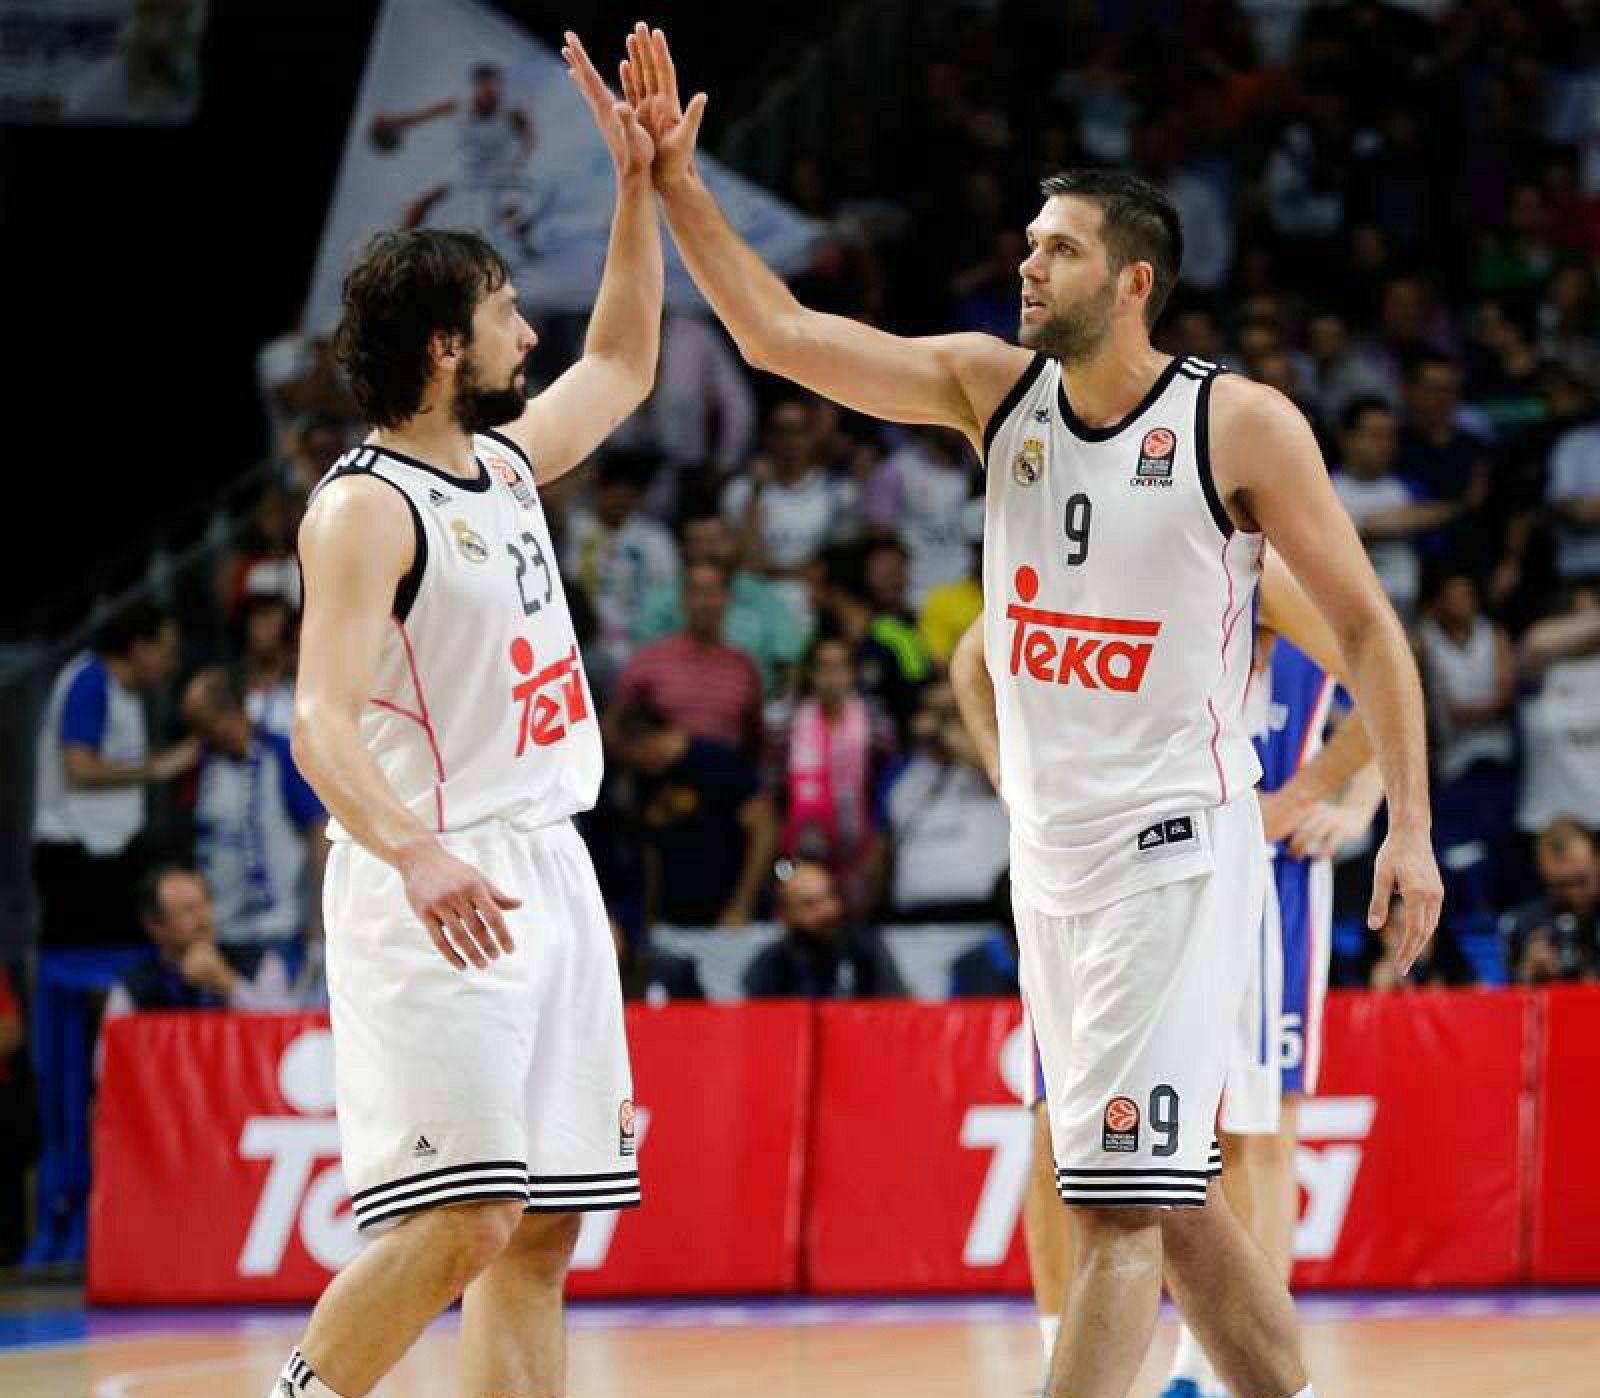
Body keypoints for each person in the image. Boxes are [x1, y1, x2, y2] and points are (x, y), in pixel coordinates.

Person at [621, 30, 1440, 1398]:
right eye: (1025, 242)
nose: (1025, 264)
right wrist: (674, 185)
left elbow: (1369, 629)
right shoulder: (988, 392)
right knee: (1159, 1195)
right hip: (1054, 864)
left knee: (1115, 1203)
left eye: (1054, 248)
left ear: (1130, 280)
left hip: (1176, 852)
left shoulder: (1236, 426)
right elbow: (778, 334)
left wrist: (1400, 822)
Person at [271, 35, 659, 1398]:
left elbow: (620, 360)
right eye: (507, 316)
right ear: (447, 347)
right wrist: (417, 853)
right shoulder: (364, 504)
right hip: (434, 872)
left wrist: (637, 187)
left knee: (542, 1226)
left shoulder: (498, 464)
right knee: (464, 1216)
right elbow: (318, 722)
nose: (531, 335)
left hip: (547, 858)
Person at [32, 602, 195, 948]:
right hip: (77, 854)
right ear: (139, 648)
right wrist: (157, 768)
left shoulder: (125, 691)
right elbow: (78, 767)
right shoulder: (91, 682)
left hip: (108, 850)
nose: (172, 665)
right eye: (167, 653)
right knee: (83, 965)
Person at [180, 667, 327, 952]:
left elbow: (318, 834)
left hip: (281, 928)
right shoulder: (198, 766)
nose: (200, 738)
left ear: (233, 713)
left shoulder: (284, 755)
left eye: (205, 727)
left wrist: (316, 921)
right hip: (217, 932)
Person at [611, 701, 776, 929]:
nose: (628, 765)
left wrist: (742, 903)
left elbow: (763, 832)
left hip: (730, 916)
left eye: (627, 756)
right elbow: (651, 853)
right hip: (675, 920)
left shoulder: (720, 762)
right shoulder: (644, 781)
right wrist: (650, 917)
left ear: (643, 742)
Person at [633, 512, 808, 694]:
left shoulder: (763, 596)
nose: (710, 548)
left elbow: (788, 661)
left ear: (734, 543)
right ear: (684, 548)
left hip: (754, 707)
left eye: (718, 539)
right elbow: (646, 661)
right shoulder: (661, 598)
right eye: (699, 541)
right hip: (676, 706)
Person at [779, 636, 890, 919]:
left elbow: (884, 782)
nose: (832, 676)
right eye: (823, 667)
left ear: (853, 673)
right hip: (804, 844)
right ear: (811, 674)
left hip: (863, 843)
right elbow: (778, 786)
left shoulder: (875, 721)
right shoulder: (789, 722)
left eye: (840, 667)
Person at [102, 865, 298, 1018]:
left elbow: (283, 1030)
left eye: (204, 905)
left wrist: (226, 982)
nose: (203, 920)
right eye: (187, 910)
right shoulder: (133, 988)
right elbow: (110, 1058)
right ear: (156, 926)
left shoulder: (259, 962)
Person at [613, 559, 764, 756]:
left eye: (712, 592)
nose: (703, 602)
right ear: (683, 600)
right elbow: (616, 727)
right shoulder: (649, 660)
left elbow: (755, 741)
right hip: (662, 778)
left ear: (727, 598)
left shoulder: (744, 668)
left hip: (726, 777)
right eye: (696, 592)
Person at [561, 451, 680, 687]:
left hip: (642, 645)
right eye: (614, 493)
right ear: (599, 491)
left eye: (629, 496)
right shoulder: (574, 528)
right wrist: (585, 476)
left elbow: (669, 599)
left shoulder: (655, 538)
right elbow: (551, 498)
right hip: (581, 644)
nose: (620, 501)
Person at [741, 859, 905, 999]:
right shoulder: (770, 965)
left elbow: (898, 1013)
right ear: (784, 915)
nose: (828, 910)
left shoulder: (866, 950)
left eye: (830, 896)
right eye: (811, 904)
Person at [1501, 820, 1600, 983]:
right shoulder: (1524, 923)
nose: (1573, 894)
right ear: (1542, 874)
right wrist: (1529, 975)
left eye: (1582, 880)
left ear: (1597, 863)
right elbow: (1507, 995)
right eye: (1561, 885)